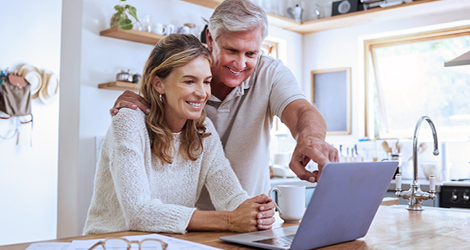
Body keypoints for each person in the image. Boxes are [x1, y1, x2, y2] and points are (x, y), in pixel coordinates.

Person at [110, 0, 339, 210]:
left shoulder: (270, 74)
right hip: (182, 222)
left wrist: (310, 138)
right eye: (231, 50)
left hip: (242, 215)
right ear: (210, 39)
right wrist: (139, 106)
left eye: (251, 53)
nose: (240, 63)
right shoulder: (182, 78)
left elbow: (301, 111)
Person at [83, 34, 275, 235]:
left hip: (167, 243)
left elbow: (231, 198)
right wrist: (229, 220)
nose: (202, 93)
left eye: (206, 81)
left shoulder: (203, 129)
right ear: (159, 84)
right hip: (111, 242)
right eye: (190, 81)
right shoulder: (129, 121)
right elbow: (139, 212)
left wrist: (257, 211)